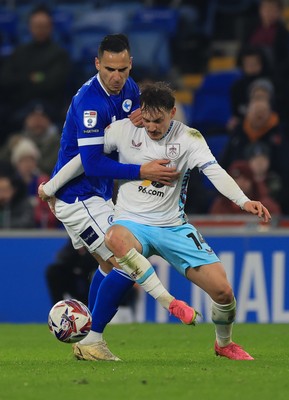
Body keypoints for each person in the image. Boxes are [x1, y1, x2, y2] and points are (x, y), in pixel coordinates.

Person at [42, 82, 271, 360]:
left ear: (172, 112)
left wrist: (244, 201)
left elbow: (215, 172)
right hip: (131, 223)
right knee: (115, 241)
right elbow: (85, 159)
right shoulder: (123, 131)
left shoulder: (190, 138)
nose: (151, 127)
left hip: (173, 226)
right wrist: (51, 186)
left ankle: (224, 344)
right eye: (147, 120)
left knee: (223, 292)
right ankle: (94, 338)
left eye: (158, 121)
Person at [38, 34, 196, 360]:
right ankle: (94, 338)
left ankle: (89, 338)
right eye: (110, 68)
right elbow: (93, 161)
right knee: (126, 258)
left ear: (130, 64)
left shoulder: (130, 91)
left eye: (123, 68)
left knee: (111, 267)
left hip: (96, 194)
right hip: (79, 196)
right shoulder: (89, 102)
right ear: (97, 63)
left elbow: (130, 139)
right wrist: (143, 172)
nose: (117, 76)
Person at [0, 4, 71, 136]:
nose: (40, 30)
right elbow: (5, 79)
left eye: (44, 26)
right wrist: (33, 78)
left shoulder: (60, 54)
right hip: (20, 107)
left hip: (50, 109)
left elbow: (53, 84)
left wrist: (24, 79)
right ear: (30, 27)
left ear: (51, 27)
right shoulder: (19, 52)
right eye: (37, 26)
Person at [209, 159, 281, 216]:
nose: (241, 183)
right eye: (236, 179)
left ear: (252, 182)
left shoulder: (265, 205)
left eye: (245, 179)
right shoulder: (220, 205)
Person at [0, 161, 35, 229]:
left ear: (14, 189)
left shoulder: (23, 203)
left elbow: (27, 222)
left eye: (5, 190)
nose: (1, 194)